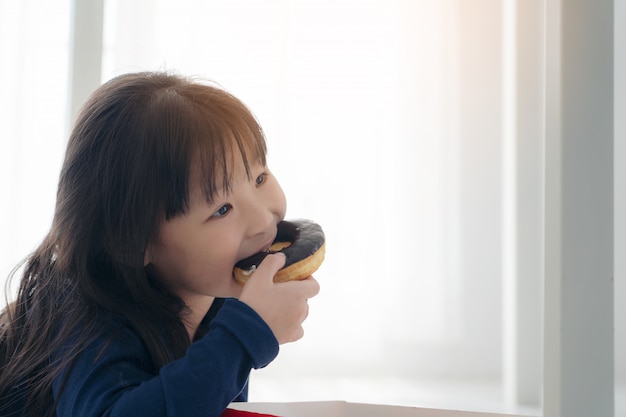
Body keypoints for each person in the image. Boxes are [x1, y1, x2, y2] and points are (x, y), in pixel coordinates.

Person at [0, 71, 320, 417]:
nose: (262, 221)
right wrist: (247, 335)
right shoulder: (90, 319)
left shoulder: (211, 299)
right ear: (131, 243)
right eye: (221, 209)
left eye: (259, 178)